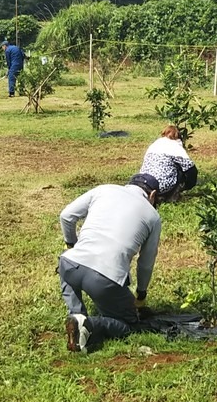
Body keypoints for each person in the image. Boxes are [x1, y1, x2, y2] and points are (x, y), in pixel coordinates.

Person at [59, 173, 163, 353]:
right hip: (104, 278)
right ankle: (91, 325)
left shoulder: (104, 189)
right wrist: (141, 295)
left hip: (69, 264)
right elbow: (146, 262)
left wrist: (71, 246)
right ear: (152, 195)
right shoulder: (152, 216)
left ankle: (76, 318)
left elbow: (66, 216)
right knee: (129, 325)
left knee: (70, 271)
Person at [140, 125, 198, 202]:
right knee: (181, 169)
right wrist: (188, 185)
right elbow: (190, 169)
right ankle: (171, 196)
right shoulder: (175, 146)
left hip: (145, 183)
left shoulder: (154, 144)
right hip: (162, 186)